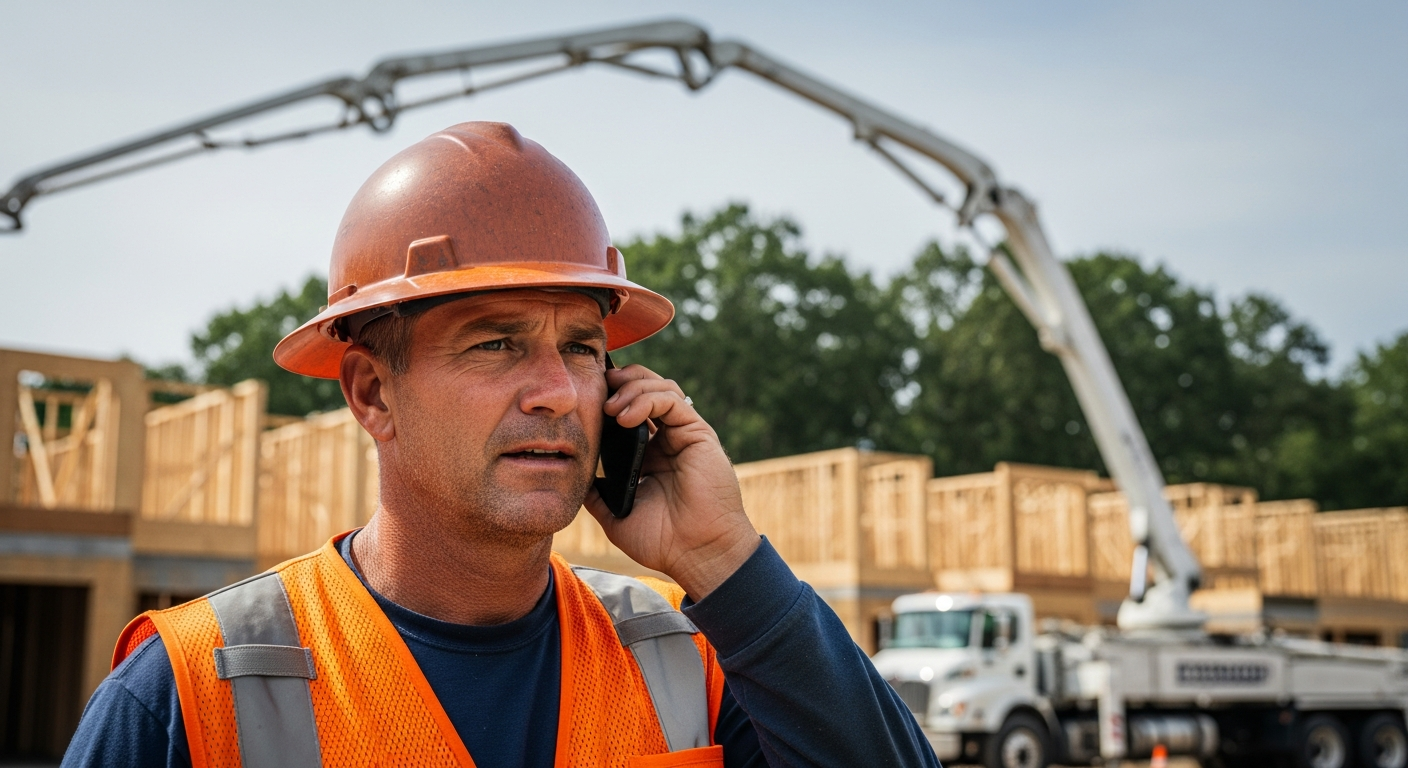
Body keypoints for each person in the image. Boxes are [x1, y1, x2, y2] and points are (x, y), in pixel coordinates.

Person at [63, 122, 939, 768]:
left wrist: (725, 560)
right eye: (495, 344)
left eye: (583, 349)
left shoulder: (691, 666)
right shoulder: (187, 697)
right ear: (373, 393)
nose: (560, 392)